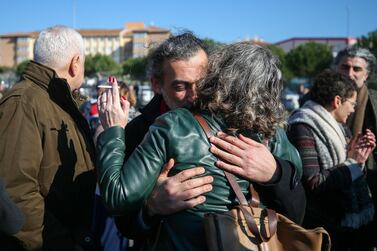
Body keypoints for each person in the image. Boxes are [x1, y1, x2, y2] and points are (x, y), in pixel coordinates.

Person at [96, 42, 305, 250]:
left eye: (201, 83)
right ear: (157, 85)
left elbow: (296, 212)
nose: (194, 95)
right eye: (180, 86)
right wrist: (151, 207)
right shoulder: (144, 129)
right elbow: (125, 222)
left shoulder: (268, 133)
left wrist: (276, 173)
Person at [0, 26, 97, 250]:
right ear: (75, 63)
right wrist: (62, 242)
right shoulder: (22, 103)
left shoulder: (57, 101)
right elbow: (14, 192)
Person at [287, 69, 376, 250]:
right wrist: (353, 163)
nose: (353, 108)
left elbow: (351, 170)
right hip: (321, 227)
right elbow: (314, 182)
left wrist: (358, 156)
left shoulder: (339, 127)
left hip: (343, 224)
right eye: (352, 103)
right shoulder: (302, 126)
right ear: (337, 101)